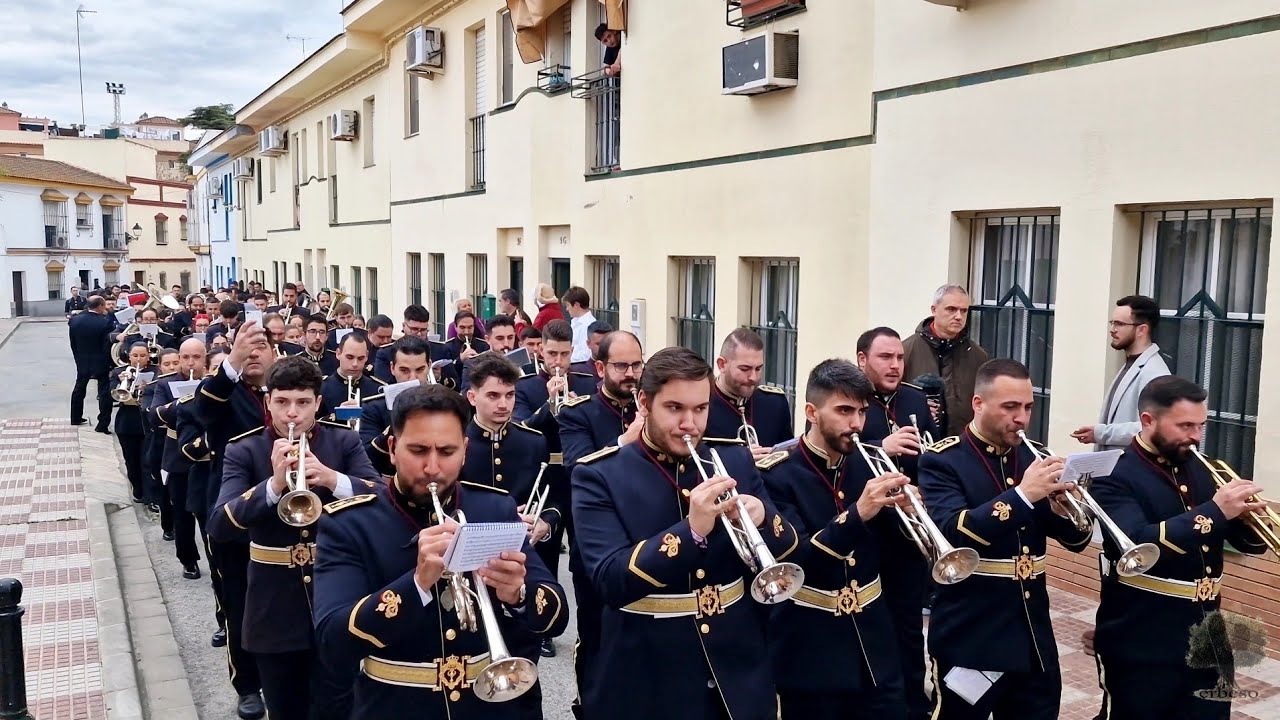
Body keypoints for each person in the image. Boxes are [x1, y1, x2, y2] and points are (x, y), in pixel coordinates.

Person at [312, 384, 570, 719]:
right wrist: (416, 584)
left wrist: (518, 593)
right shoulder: (349, 523)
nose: (433, 468)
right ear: (392, 448)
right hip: (394, 706)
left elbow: (557, 615)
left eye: (447, 452)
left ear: (464, 450)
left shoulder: (493, 507)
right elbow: (332, 642)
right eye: (418, 450)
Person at [570, 346, 799, 720]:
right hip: (647, 671)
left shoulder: (734, 458)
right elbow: (609, 580)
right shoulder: (599, 474)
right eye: (675, 408)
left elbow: (788, 553)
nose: (690, 424)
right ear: (644, 402)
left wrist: (763, 518)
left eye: (700, 409)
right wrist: (691, 531)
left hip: (736, 668)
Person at [918, 359, 1093, 720]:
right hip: (972, 636)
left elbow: (1076, 540)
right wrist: (1024, 495)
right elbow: (951, 532)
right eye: (1010, 407)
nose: (1022, 419)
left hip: (1032, 636)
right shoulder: (944, 460)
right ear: (978, 404)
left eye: (1028, 407)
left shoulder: (1034, 455)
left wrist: (1063, 509)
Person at [210, 356, 382, 720]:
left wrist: (333, 479)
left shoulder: (343, 442)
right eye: (282, 402)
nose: (292, 414)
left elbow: (381, 498)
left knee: (341, 706)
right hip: (274, 609)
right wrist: (272, 486)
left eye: (303, 402)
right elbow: (219, 526)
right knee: (286, 709)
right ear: (268, 401)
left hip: (337, 598)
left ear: (318, 403)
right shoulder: (244, 450)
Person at [1089, 376, 1270, 720]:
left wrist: (1249, 523)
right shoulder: (1114, 474)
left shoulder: (1201, 469)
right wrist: (1216, 511)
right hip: (1142, 637)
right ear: (1148, 420)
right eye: (1185, 425)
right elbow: (1137, 540)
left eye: (1201, 425)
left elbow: (1235, 537)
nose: (1196, 436)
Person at [759, 359, 910, 719]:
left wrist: (910, 514)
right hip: (811, 649)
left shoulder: (871, 462)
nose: (856, 424)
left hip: (875, 643)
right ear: (811, 411)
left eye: (861, 411)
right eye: (844, 411)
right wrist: (860, 512)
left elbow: (898, 554)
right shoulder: (777, 475)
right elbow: (798, 560)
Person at [556, 329, 644, 709]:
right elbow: (577, 467)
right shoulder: (579, 414)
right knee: (596, 639)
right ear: (599, 367)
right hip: (595, 551)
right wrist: (627, 440)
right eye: (621, 366)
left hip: (644, 546)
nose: (630, 373)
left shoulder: (653, 409)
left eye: (637, 365)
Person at [194, 320, 277, 719]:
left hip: (286, 518)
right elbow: (205, 408)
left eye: (263, 346)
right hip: (235, 517)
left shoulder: (287, 392)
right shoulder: (223, 391)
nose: (256, 353)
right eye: (249, 348)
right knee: (239, 603)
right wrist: (232, 360)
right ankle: (248, 686)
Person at [855, 327, 938, 720]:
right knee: (871, 622)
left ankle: (913, 703)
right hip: (866, 532)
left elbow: (934, 457)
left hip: (908, 534)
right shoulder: (849, 399)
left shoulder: (915, 399)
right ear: (862, 360)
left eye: (899, 358)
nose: (894, 365)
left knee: (907, 624)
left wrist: (923, 489)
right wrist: (880, 448)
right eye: (884, 358)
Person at [460, 354, 559, 682]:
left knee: (522, 657)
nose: (504, 404)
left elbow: (555, 494)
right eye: (493, 395)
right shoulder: (457, 443)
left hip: (521, 561)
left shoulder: (533, 441)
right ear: (472, 397)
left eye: (510, 395)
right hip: (468, 565)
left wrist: (545, 521)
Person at [514, 320, 595, 586]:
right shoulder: (525, 386)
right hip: (543, 477)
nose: (558, 361)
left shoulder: (587, 382)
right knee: (543, 557)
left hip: (579, 476)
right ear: (541, 352)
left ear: (572, 351)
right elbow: (522, 429)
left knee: (584, 559)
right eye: (551, 354)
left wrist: (579, 409)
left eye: (564, 354)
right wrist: (549, 404)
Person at [1072, 295, 1171, 452]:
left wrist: (1101, 433)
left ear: (1142, 330)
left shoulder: (1155, 373)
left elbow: (1154, 428)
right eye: (1112, 323)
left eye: (1119, 324)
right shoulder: (1133, 363)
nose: (1112, 330)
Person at [150, 337, 210, 579]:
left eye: (196, 357)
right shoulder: (166, 384)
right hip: (178, 454)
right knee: (182, 514)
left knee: (209, 511)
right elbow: (154, 415)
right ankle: (188, 559)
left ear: (204, 358)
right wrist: (181, 403)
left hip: (206, 455)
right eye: (185, 357)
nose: (190, 362)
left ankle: (216, 558)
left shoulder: (213, 383)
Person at [902, 284, 989, 437]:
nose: (958, 316)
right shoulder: (905, 351)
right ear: (934, 310)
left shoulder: (978, 356)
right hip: (918, 444)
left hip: (962, 447)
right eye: (951, 309)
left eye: (964, 311)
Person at [707, 327, 794, 457]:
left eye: (758, 369)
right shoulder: (702, 405)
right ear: (721, 365)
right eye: (745, 369)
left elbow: (788, 459)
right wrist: (740, 461)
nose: (753, 377)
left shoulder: (775, 404)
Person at [360, 336, 434, 476]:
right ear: (392, 368)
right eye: (404, 371)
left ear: (429, 366)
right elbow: (367, 457)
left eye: (419, 370)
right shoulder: (374, 407)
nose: (412, 378)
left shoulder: (445, 403)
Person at [69, 296, 117, 432]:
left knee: (79, 388)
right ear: (101, 306)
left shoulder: (74, 320)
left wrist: (78, 357)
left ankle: (75, 417)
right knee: (104, 393)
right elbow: (107, 344)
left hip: (82, 359)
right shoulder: (105, 322)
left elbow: (73, 343)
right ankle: (102, 425)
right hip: (101, 361)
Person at [112, 343, 152, 501]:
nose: (139, 359)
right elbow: (111, 396)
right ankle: (137, 489)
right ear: (129, 356)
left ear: (148, 357)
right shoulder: (118, 372)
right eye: (135, 355)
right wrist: (120, 383)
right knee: (131, 460)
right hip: (127, 423)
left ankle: (149, 495)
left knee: (147, 462)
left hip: (147, 423)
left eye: (143, 356)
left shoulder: (155, 372)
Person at [320, 333, 385, 423]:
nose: (355, 364)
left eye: (360, 358)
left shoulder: (378, 390)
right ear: (338, 354)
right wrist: (338, 415)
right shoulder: (321, 387)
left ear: (367, 356)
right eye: (349, 357)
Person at [373, 305, 431, 383]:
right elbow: (383, 385)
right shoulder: (385, 352)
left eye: (423, 330)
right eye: (414, 329)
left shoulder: (440, 349)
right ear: (404, 326)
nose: (419, 334)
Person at [563, 286, 597, 363]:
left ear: (576, 305)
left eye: (568, 305)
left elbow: (585, 356)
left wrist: (564, 359)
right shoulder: (576, 322)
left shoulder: (588, 325)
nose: (567, 309)